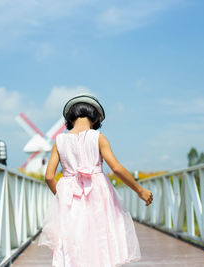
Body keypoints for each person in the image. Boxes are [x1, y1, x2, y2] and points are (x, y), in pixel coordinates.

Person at [38, 93, 153, 267]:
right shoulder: (98, 137)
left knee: (72, 239)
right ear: (96, 119)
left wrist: (61, 195)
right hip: (98, 194)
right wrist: (140, 190)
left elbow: (48, 176)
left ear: (70, 118)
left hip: (70, 196)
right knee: (100, 237)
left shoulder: (59, 141)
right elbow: (116, 168)